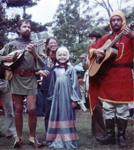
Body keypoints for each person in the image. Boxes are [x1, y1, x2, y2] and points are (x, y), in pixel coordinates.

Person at [0, 20, 45, 148]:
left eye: (29, 27)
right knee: (18, 109)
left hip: (31, 78)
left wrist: (33, 53)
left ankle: (33, 138)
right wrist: (5, 58)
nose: (27, 29)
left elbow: (42, 62)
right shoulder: (11, 44)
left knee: (32, 109)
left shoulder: (36, 44)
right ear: (18, 29)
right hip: (16, 78)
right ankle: (19, 138)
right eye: (24, 26)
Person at [88, 10, 134, 148]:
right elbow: (91, 48)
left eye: (118, 20)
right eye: (113, 20)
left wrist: (131, 36)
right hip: (108, 76)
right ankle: (109, 135)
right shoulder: (106, 38)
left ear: (123, 22)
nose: (115, 22)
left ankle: (121, 135)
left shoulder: (130, 36)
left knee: (122, 108)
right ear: (110, 22)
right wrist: (95, 51)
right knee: (108, 107)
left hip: (124, 76)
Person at [45, 47, 81, 149]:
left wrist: (74, 99)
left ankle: (68, 139)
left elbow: (75, 84)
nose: (62, 57)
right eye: (60, 55)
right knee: (57, 115)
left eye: (64, 55)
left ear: (68, 56)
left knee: (66, 116)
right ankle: (56, 137)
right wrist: (51, 98)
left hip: (67, 97)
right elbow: (52, 84)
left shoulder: (71, 69)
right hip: (57, 98)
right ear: (57, 57)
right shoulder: (55, 70)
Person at [81, 32, 106, 138]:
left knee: (97, 105)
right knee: (92, 105)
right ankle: (95, 130)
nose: (90, 40)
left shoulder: (101, 50)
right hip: (91, 79)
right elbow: (86, 67)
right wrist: (83, 60)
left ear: (98, 40)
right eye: (89, 38)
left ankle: (101, 132)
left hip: (99, 80)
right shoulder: (90, 51)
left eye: (92, 38)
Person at [39, 37, 58, 131]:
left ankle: (59, 131)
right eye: (51, 43)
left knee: (58, 110)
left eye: (55, 43)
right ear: (47, 45)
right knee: (48, 110)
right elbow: (36, 68)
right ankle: (48, 132)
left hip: (58, 86)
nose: (53, 45)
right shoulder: (43, 57)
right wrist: (40, 71)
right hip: (46, 86)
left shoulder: (60, 55)